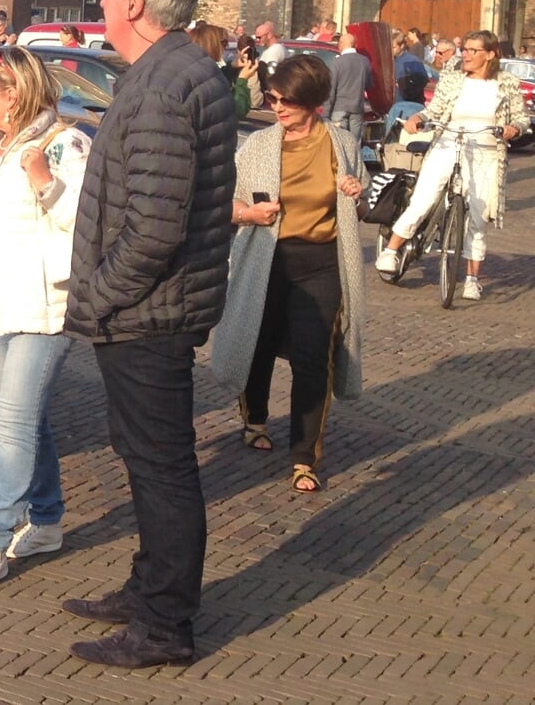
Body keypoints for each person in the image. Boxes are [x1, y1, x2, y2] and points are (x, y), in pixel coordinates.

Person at [63, 0, 237, 668]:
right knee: (144, 457)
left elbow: (155, 227)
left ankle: (164, 626)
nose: (99, 2)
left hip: (146, 313)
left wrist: (94, 300)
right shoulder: (173, 72)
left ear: (134, 2)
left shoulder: (165, 85)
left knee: (162, 466)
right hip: (151, 308)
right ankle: (148, 590)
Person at [0, 47, 92, 589]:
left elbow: (84, 227)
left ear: (13, 94)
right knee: (26, 421)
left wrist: (45, 184)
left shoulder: (63, 145)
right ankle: (48, 520)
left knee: (13, 425)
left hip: (41, 312)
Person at [211, 55, 365, 495]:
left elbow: (360, 187)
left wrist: (355, 189)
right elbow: (230, 200)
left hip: (321, 262)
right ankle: (255, 419)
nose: (276, 106)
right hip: (266, 259)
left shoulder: (340, 143)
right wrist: (249, 213)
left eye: (287, 101)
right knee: (256, 342)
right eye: (273, 98)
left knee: (314, 359)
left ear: (313, 102)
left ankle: (304, 457)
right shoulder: (259, 145)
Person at [376, 30, 528, 298]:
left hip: (486, 153)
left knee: (478, 217)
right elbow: (435, 109)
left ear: (490, 54)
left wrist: (513, 128)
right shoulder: (453, 78)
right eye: (465, 49)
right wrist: (419, 118)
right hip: (448, 143)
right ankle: (391, 250)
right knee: (423, 199)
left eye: (472, 50)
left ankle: (471, 279)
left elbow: (521, 117)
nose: (466, 55)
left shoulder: (506, 83)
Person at [189, 22, 261, 119]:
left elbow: (217, 75)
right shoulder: (205, 77)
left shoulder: (194, 69)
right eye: (224, 43)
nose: (226, 47)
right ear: (211, 44)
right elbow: (237, 109)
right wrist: (242, 80)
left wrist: (232, 66)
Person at [325, 32, 371, 134]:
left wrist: (326, 113)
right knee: (355, 142)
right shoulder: (364, 61)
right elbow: (368, 85)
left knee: (339, 142)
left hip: (339, 107)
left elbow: (331, 89)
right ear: (355, 44)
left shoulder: (337, 62)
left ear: (340, 44)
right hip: (357, 107)